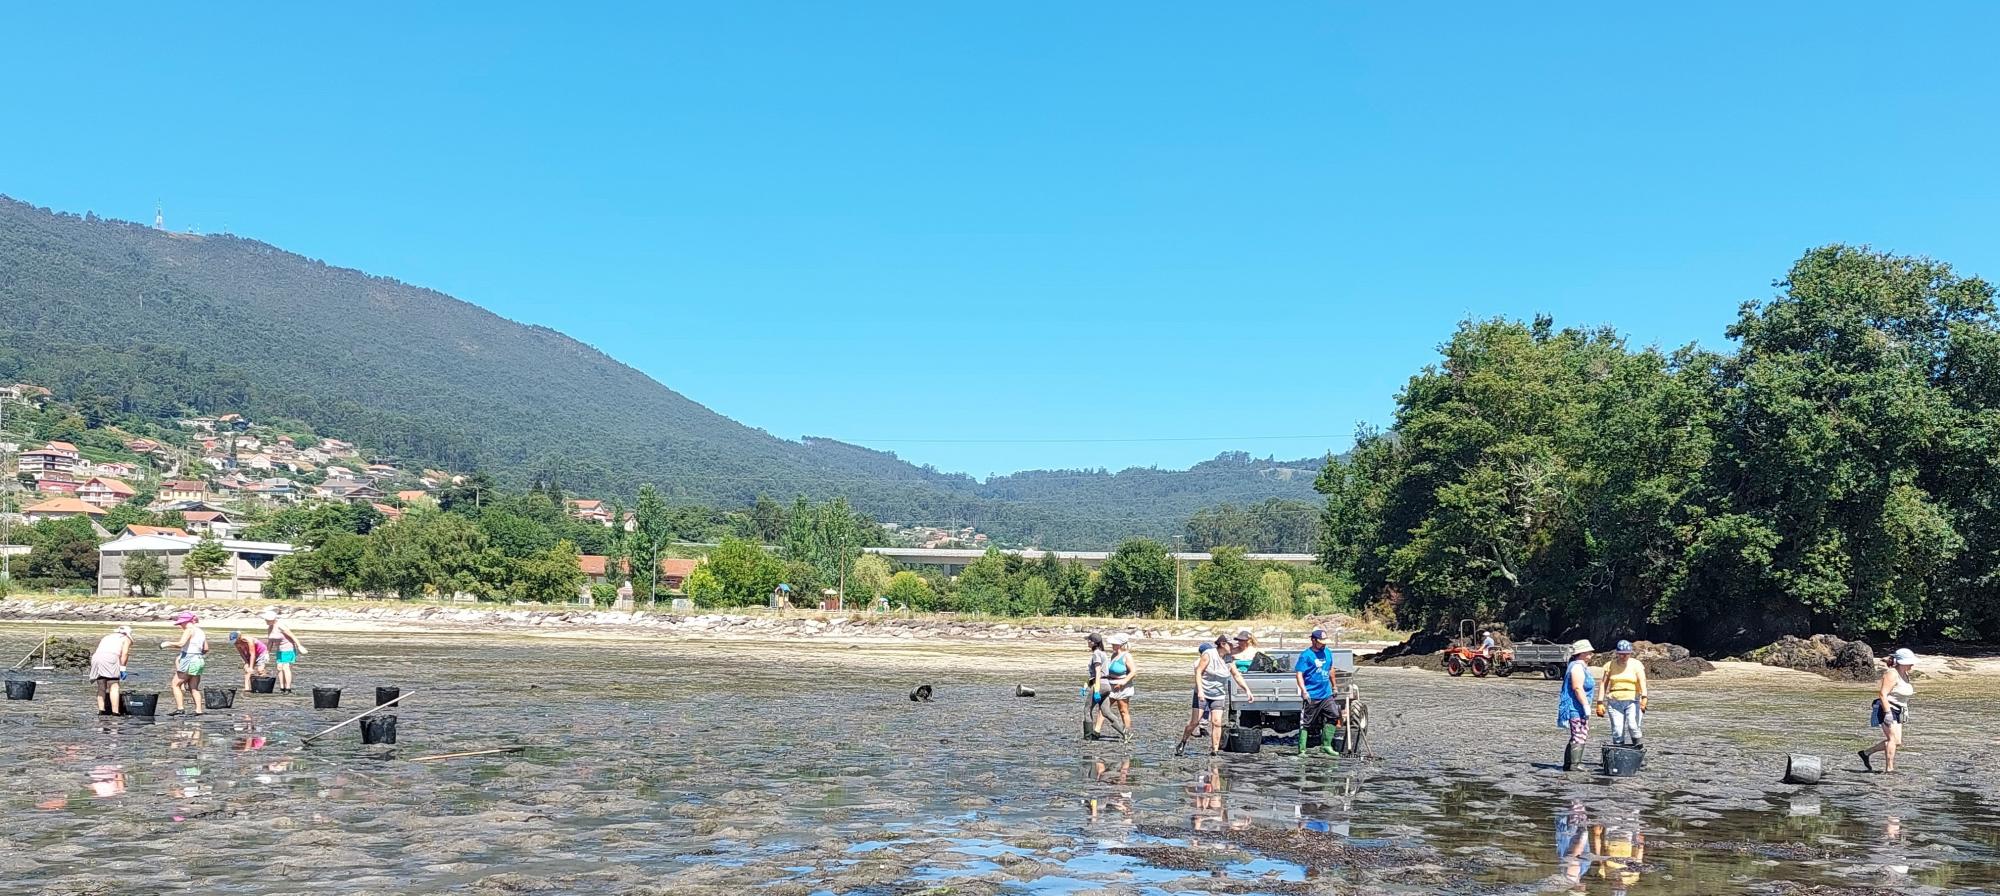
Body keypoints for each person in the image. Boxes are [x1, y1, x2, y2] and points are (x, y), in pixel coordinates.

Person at [1177, 637, 1254, 756]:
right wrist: (1201, 691)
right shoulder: (1208, 655)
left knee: (1217, 722)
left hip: (1218, 695)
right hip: (1202, 692)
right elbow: (1198, 672)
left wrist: (1247, 690)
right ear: (1223, 644)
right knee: (1195, 722)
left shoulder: (1229, 659)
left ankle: (1215, 750)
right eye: (1231, 645)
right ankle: (1183, 742)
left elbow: (1237, 675)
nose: (1234, 647)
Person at [1860, 648, 1918, 773]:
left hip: (1899, 709)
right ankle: (1889, 770)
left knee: (1897, 742)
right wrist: (1887, 713)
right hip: (1887, 708)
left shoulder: (1905, 674)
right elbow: (1882, 694)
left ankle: (1866, 753)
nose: (1912, 664)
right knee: (1892, 740)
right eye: (1910, 662)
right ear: (1901, 662)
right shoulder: (1892, 674)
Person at [1294, 627, 1341, 756]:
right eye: (1321, 642)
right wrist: (1304, 691)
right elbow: (1299, 674)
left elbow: (1331, 669)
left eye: (1325, 641)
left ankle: (1326, 745)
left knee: (1334, 715)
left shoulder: (1328, 652)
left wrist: (1334, 686)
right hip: (1312, 694)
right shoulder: (1306, 655)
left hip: (1326, 693)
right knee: (1306, 722)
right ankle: (1302, 750)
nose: (1323, 644)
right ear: (1313, 640)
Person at [1595, 640, 1649, 748]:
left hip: (1633, 700)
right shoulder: (1609, 665)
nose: (1624, 656)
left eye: (1627, 654)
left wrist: (1644, 697)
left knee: (1633, 726)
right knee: (1617, 731)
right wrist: (1599, 702)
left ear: (1630, 653)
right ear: (1617, 653)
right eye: (1621, 654)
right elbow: (1603, 684)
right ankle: (1619, 754)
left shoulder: (1636, 664)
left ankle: (1638, 750)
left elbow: (1642, 681)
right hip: (1614, 701)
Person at [1556, 639, 1596, 771]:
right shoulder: (1577, 667)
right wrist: (1586, 706)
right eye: (1589, 652)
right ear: (1582, 653)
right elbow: (1577, 688)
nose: (1591, 654)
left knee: (1576, 734)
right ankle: (1575, 764)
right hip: (1576, 707)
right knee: (1579, 734)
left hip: (1577, 707)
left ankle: (1569, 764)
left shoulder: (1578, 666)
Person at [160, 611, 209, 716]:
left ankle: (180, 708)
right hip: (199, 659)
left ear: (186, 622)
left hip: (189, 659)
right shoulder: (201, 631)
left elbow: (181, 644)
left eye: (181, 624)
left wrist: (168, 644)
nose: (180, 626)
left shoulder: (189, 630)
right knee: (194, 687)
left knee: (175, 684)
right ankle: (199, 710)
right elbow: (206, 649)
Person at [89, 625, 133, 716]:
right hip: (110, 658)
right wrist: (123, 669)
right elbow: (124, 654)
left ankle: (101, 711)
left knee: (101, 685)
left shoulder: (107, 637)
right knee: (114, 685)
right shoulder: (126, 639)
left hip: (96, 657)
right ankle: (115, 712)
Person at [262, 610, 308, 694]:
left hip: (288, 648)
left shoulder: (281, 626)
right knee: (279, 668)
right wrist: (267, 653)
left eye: (267, 620)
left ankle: (288, 688)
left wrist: (299, 646)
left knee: (285, 667)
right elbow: (270, 642)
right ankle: (282, 688)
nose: (265, 621)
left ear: (273, 619)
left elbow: (292, 636)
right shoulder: (270, 628)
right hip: (279, 650)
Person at [1102, 633, 1136, 739]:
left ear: (1120, 644)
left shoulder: (1127, 656)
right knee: (1103, 709)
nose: (1112, 645)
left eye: (1114, 643)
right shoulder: (1113, 655)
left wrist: (1123, 681)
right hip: (1111, 686)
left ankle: (1127, 732)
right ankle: (1096, 731)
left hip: (1123, 688)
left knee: (1123, 710)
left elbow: (1133, 672)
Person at [1084, 633, 1109, 739]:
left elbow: (1098, 673)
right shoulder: (1103, 653)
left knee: (1087, 710)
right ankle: (1124, 732)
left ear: (1092, 642)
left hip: (1100, 685)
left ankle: (1088, 737)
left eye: (1088, 640)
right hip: (1107, 685)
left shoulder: (1096, 654)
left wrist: (1097, 690)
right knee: (1106, 711)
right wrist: (1086, 685)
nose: (1087, 642)